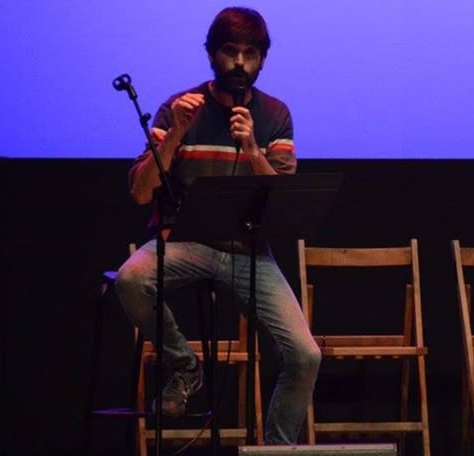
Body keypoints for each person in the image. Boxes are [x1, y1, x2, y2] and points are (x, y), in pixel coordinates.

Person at [115, 7, 320, 444]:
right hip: (186, 243)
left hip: (248, 251)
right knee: (131, 278)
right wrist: (174, 137)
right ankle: (186, 368)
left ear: (263, 58)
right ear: (212, 55)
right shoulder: (178, 107)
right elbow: (139, 192)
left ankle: (278, 451)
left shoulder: (274, 115)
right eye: (230, 52)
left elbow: (281, 196)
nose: (241, 63)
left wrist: (251, 149)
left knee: (305, 355)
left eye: (250, 53)